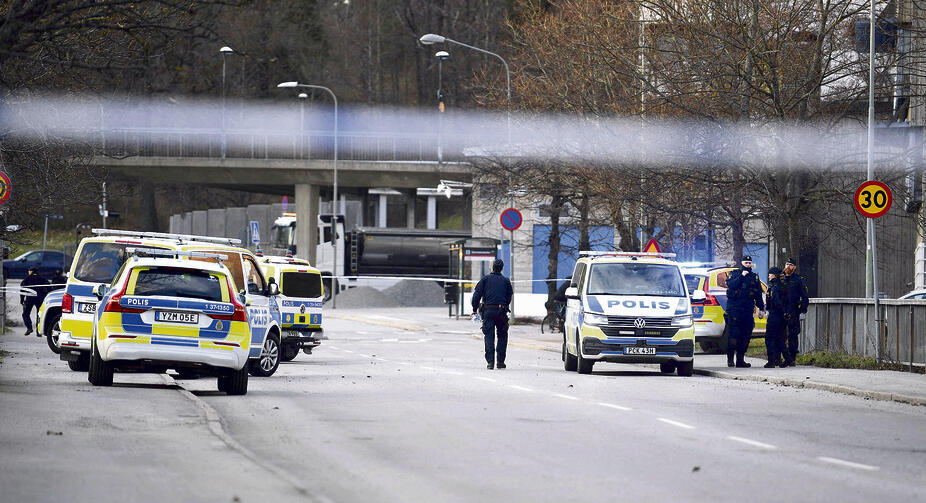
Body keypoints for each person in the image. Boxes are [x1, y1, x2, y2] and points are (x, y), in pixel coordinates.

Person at [471, 259, 513, 370]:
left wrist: (475, 309)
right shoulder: (506, 281)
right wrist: (504, 305)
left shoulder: (485, 279)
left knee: (489, 336)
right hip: (501, 311)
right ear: (502, 268)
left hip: (488, 311)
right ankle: (500, 362)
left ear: (492, 267)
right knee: (502, 336)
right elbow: (509, 296)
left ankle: (490, 362)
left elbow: (476, 295)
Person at [724, 255, 765, 368]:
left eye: (749, 263)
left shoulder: (754, 277)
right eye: (746, 263)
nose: (748, 265)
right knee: (733, 335)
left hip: (747, 310)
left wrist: (761, 309)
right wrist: (742, 276)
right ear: (741, 263)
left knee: (745, 336)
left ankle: (740, 360)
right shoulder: (735, 274)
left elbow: (758, 294)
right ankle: (730, 359)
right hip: (735, 310)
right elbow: (731, 285)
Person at [781, 257, 809, 367]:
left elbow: (805, 296)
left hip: (793, 311)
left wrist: (802, 310)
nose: (788, 266)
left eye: (791, 265)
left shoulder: (798, 280)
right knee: (780, 335)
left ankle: (791, 358)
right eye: (787, 264)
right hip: (781, 311)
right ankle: (780, 358)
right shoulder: (780, 278)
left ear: (795, 267)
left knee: (793, 336)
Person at [764, 266, 787, 368]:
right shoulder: (783, 285)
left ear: (773, 275)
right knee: (779, 338)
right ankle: (786, 359)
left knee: (769, 338)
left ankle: (771, 361)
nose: (768, 276)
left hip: (775, 315)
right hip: (781, 316)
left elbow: (776, 301)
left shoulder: (774, 286)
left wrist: (771, 310)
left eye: (769, 274)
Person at [20, 267, 48, 336]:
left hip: (29, 298)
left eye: (29, 271)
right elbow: (48, 287)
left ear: (31, 271)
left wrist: (22, 299)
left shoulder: (27, 278)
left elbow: (22, 289)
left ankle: (29, 328)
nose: (28, 272)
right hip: (40, 299)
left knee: (25, 314)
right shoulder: (42, 278)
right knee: (39, 315)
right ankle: (38, 331)